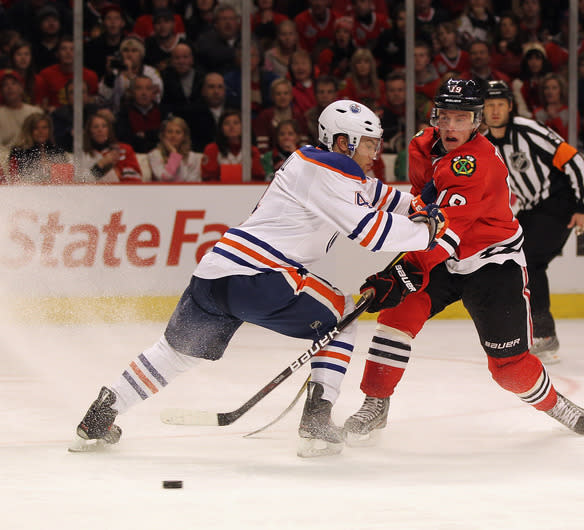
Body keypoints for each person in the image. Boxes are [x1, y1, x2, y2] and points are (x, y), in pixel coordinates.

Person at [70, 99, 444, 458]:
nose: (374, 152)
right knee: (343, 316)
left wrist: (429, 204)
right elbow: (371, 232)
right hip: (262, 275)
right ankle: (316, 423)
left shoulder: (325, 168)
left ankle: (101, 414)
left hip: (216, 273)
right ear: (342, 143)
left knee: (175, 354)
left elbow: (387, 199)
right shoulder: (331, 168)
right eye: (368, 143)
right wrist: (429, 233)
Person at [342, 78, 584, 445]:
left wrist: (400, 272)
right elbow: (423, 209)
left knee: (509, 370)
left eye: (461, 119)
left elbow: (445, 232)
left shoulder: (475, 164)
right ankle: (375, 402)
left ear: (476, 121)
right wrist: (399, 276)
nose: (451, 127)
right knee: (396, 317)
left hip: (492, 264)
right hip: (444, 254)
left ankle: (554, 402)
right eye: (445, 117)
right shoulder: (421, 146)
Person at [482, 80, 584, 364]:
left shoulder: (527, 129)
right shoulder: (487, 143)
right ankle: (525, 329)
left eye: (500, 104)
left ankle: (544, 334)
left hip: (560, 201)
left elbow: (574, 160)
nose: (495, 110)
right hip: (533, 208)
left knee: (531, 260)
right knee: (509, 257)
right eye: (489, 105)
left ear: (510, 106)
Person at [5, 111, 69, 183]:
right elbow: (14, 178)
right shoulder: (18, 152)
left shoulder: (57, 151)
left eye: (44, 128)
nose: (41, 131)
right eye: (36, 128)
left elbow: (65, 178)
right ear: (28, 131)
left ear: (50, 130)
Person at [79, 112, 143, 183]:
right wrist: (101, 164)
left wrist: (118, 173)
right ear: (89, 131)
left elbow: (135, 180)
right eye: (95, 127)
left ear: (109, 130)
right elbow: (81, 182)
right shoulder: (83, 154)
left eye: (104, 126)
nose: (100, 130)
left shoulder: (124, 149)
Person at [148, 116, 202, 182]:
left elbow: (194, 182)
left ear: (184, 136)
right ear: (163, 135)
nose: (173, 135)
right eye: (169, 132)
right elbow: (165, 179)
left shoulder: (192, 157)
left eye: (178, 132)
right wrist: (174, 154)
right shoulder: (154, 155)